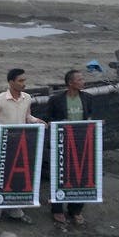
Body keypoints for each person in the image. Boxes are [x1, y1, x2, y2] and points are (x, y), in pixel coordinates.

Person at [0, 68, 45, 224]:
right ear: (11, 82)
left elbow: (27, 116)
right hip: (5, 143)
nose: (24, 83)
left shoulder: (27, 98)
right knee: (0, 176)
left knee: (19, 176)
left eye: (24, 80)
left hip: (23, 143)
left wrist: (36, 121)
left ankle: (15, 210)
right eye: (20, 81)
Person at [48, 69, 95, 226]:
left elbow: (91, 117)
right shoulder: (56, 100)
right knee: (60, 175)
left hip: (82, 143)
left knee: (81, 176)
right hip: (62, 142)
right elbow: (49, 119)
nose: (83, 82)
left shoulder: (88, 98)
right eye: (80, 79)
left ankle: (75, 210)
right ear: (70, 83)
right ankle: (57, 209)